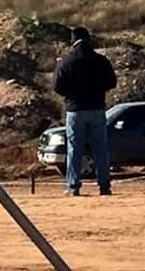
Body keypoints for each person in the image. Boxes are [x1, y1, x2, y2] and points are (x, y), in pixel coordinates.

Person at [52, 26, 117, 196]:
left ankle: (73, 186)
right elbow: (112, 82)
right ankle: (104, 186)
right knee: (101, 149)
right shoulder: (101, 60)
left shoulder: (65, 61)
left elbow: (57, 87)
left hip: (75, 109)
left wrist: (71, 94)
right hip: (97, 108)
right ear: (88, 39)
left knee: (74, 149)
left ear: (72, 40)